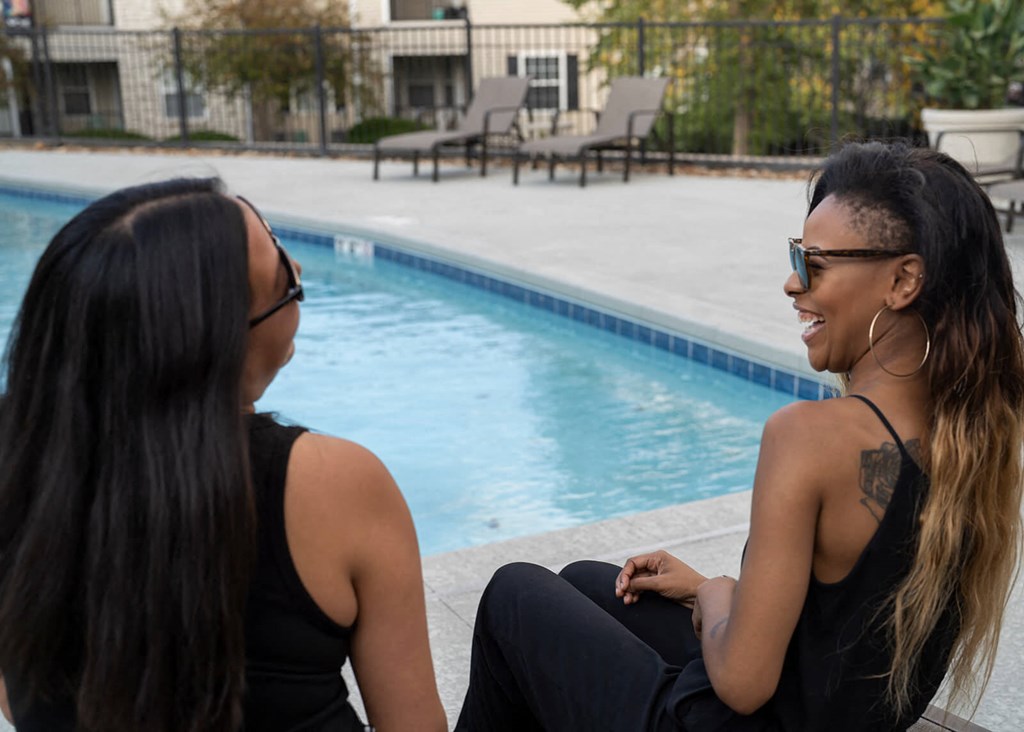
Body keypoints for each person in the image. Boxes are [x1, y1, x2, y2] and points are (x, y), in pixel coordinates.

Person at [455, 141, 1024, 731]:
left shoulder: (810, 436)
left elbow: (744, 684)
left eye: (813, 264)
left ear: (903, 281)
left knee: (513, 595)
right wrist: (705, 589)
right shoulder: (972, 443)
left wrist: (717, 595)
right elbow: (841, 634)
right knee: (586, 584)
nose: (790, 283)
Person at [0, 178, 447, 732]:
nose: (300, 269)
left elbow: (18, 697)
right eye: (286, 278)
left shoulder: (19, 470)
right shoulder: (333, 483)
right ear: (226, 340)